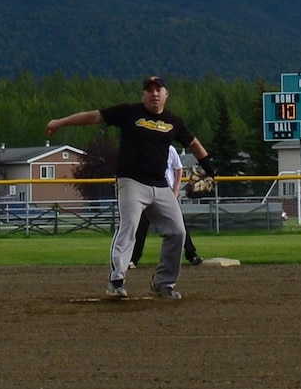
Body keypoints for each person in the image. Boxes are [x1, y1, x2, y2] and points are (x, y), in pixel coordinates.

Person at [46, 75, 210, 300]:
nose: (154, 93)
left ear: (166, 94)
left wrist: (209, 167)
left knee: (177, 232)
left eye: (158, 89)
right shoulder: (129, 112)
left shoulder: (174, 122)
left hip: (160, 185)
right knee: (129, 226)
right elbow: (94, 116)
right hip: (131, 181)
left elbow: (193, 143)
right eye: (149, 90)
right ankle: (116, 280)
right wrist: (61, 122)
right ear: (143, 94)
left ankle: (163, 283)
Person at [129, 144, 201, 269]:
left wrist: (176, 189)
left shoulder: (169, 148)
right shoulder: (143, 148)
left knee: (179, 225)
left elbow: (179, 169)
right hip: (148, 191)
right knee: (141, 227)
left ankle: (192, 255)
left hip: (167, 193)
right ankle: (133, 259)